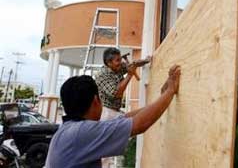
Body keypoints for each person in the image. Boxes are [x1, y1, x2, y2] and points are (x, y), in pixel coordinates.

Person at [45, 65, 181, 168]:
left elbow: (125, 119)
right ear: (96, 101)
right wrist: (170, 91)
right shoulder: (81, 132)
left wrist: (162, 98)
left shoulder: (70, 129)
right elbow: (139, 124)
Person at [95, 48, 150, 121]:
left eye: (120, 59)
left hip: (115, 110)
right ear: (109, 63)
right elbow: (116, 94)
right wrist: (129, 75)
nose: (121, 62)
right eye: (117, 60)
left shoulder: (118, 67)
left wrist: (145, 61)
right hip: (106, 112)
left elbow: (133, 64)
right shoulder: (102, 75)